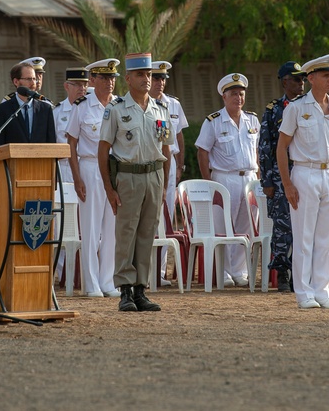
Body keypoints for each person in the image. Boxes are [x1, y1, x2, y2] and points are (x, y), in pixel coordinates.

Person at [98, 52, 170, 312]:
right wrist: (109, 188)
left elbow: (167, 149)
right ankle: (125, 291)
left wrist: (164, 185)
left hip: (154, 175)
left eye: (149, 74)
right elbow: (103, 149)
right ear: (127, 79)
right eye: (140, 74)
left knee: (146, 233)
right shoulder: (115, 109)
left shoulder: (160, 109)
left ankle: (141, 290)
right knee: (126, 233)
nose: (147, 79)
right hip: (127, 177)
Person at [276, 53, 329, 310]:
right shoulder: (296, 108)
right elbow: (281, 147)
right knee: (304, 236)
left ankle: (322, 290)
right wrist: (287, 184)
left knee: (326, 238)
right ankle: (304, 292)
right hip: (305, 173)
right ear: (311, 77)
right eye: (326, 75)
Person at [195, 72, 258, 287]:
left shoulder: (253, 119)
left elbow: (256, 151)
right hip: (224, 178)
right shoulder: (213, 121)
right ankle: (222, 271)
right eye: (233, 94)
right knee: (222, 226)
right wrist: (209, 182)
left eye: (241, 94)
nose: (238, 98)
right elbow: (202, 152)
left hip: (248, 177)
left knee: (245, 225)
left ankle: (238, 270)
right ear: (224, 96)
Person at [68, 59, 122, 298]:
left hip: (114, 169)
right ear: (93, 81)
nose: (110, 83)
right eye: (104, 78)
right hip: (89, 167)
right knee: (90, 227)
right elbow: (71, 142)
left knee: (112, 227)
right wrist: (77, 177)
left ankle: (107, 281)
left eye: (113, 78)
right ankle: (91, 283)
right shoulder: (82, 105)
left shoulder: (120, 105)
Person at [258, 61, 305, 292]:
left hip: (304, 173)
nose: (301, 84)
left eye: (303, 79)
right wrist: (267, 181)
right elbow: (265, 147)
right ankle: (282, 273)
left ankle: (300, 273)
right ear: (285, 81)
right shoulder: (274, 109)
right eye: (297, 80)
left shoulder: (309, 106)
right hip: (278, 177)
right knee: (282, 227)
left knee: (303, 226)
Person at [149, 60, 188, 286]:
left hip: (169, 163)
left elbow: (179, 137)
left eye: (163, 78)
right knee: (146, 217)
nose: (160, 83)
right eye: (156, 78)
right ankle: (144, 271)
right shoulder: (138, 103)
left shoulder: (172, 104)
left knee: (165, 217)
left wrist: (180, 165)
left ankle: (161, 271)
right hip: (147, 161)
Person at [0, 61, 56, 145]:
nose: (33, 83)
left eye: (34, 79)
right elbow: (0, 144)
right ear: (16, 82)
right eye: (28, 79)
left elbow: (51, 142)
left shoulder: (45, 109)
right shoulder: (2, 110)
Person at [55, 67, 89, 185]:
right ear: (66, 86)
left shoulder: (92, 110)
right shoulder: (57, 112)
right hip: (65, 170)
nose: (82, 89)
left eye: (85, 84)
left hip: (88, 167)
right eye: (77, 85)